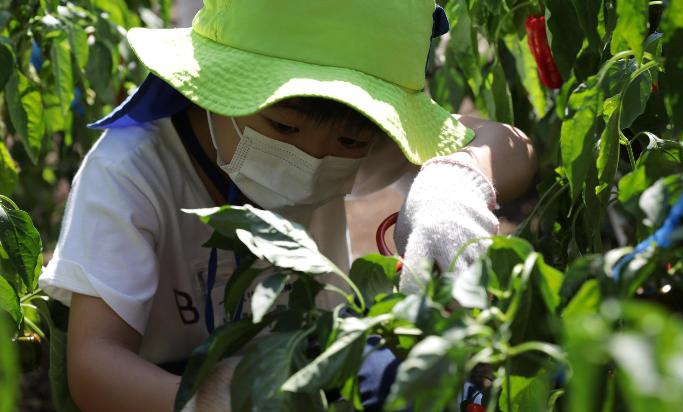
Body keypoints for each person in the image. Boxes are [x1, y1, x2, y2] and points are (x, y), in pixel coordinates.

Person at [38, 1, 536, 411]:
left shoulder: (354, 136)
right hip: (164, 390)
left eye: (347, 139)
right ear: (214, 86)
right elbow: (95, 365)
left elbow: (508, 145)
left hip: (306, 361)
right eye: (284, 127)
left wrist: (453, 187)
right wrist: (217, 402)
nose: (313, 156)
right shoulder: (133, 171)